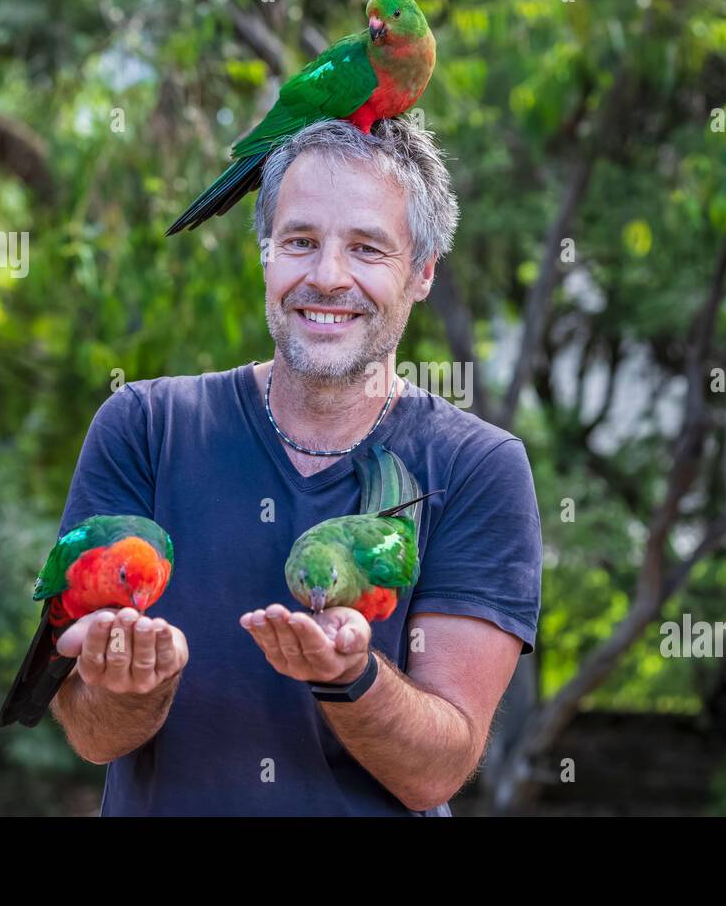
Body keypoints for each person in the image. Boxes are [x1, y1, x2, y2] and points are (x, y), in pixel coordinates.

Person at [50, 116, 543, 815]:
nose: (327, 276)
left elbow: (438, 770)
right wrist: (138, 686)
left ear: (423, 271)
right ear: (265, 254)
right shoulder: (144, 429)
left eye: (368, 249)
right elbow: (91, 735)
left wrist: (351, 677)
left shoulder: (477, 467)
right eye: (301, 242)